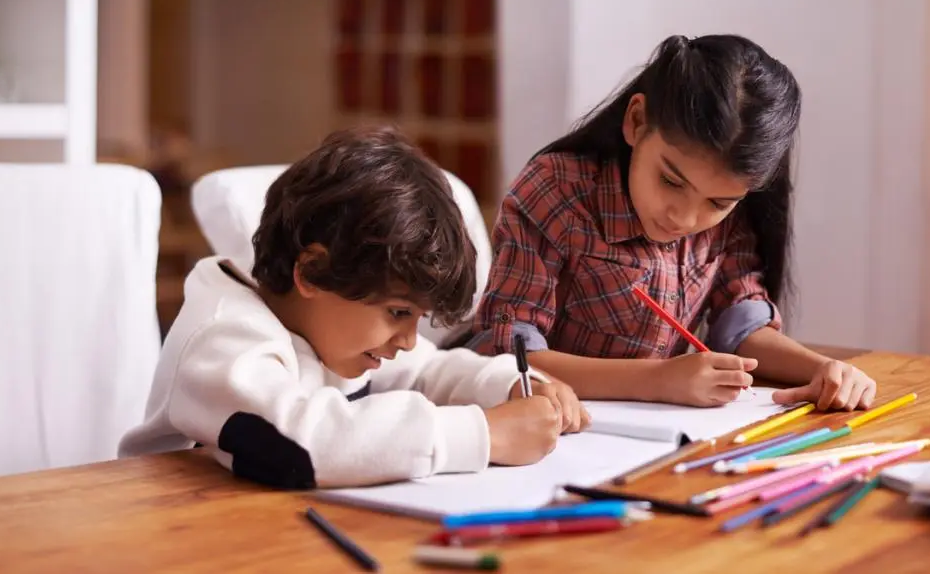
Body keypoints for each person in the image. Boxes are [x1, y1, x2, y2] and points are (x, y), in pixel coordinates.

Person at [119, 126, 587, 489]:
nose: (407, 341)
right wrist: (484, 434)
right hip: (171, 535)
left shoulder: (329, 329)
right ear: (312, 273)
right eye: (399, 313)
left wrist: (508, 385)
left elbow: (427, 372)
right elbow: (302, 445)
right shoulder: (224, 339)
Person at [468, 34, 876, 410]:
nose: (684, 217)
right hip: (551, 427)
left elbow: (740, 326)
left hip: (663, 433)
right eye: (669, 180)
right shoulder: (557, 189)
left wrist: (824, 369)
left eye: (717, 202)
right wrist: (657, 379)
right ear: (637, 121)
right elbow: (512, 356)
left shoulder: (735, 205)